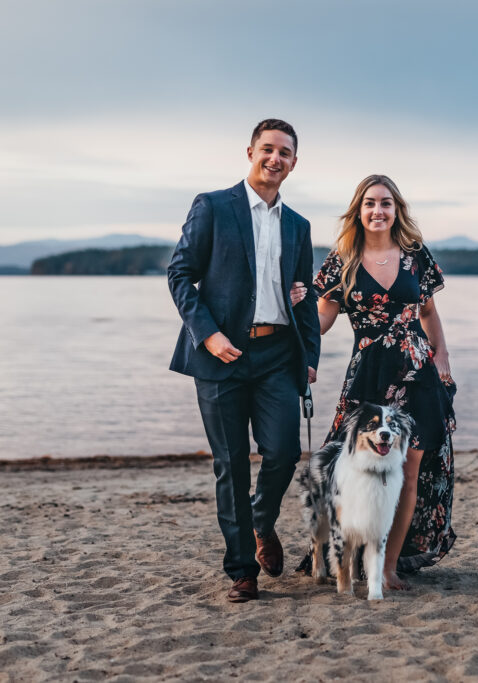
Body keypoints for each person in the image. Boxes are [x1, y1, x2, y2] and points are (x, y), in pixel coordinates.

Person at [167, 119, 320, 603]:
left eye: (285, 153)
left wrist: (309, 355)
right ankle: (242, 571)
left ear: (294, 163)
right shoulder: (212, 206)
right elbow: (179, 275)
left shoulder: (298, 225)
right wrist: (207, 335)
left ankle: (261, 520)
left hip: (278, 355)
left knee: (283, 452)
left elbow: (304, 295)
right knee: (230, 464)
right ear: (250, 151)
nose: (275, 159)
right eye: (268, 149)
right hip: (221, 356)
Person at [305, 174, 457, 590]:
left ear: (396, 210)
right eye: (370, 203)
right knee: (354, 469)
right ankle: (346, 555)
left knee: (408, 472)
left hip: (418, 373)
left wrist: (441, 357)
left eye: (386, 203)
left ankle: (388, 567)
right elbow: (321, 319)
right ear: (358, 211)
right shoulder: (342, 259)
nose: (378, 210)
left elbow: (428, 312)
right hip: (369, 375)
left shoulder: (414, 256)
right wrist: (299, 343)